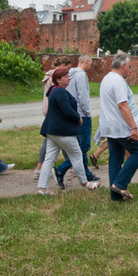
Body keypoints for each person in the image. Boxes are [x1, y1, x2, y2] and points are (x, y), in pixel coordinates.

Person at [38, 67, 100, 195]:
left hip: (52, 130)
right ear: (58, 80)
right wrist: (78, 118)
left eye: (68, 76)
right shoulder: (60, 92)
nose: (68, 78)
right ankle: (85, 183)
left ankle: (42, 188)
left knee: (49, 158)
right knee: (76, 155)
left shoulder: (54, 91)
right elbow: (67, 110)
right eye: (65, 77)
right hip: (63, 131)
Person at [99, 52, 138, 201]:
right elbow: (122, 104)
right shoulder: (118, 81)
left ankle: (115, 195)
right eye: (129, 66)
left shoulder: (106, 79)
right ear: (123, 66)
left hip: (109, 126)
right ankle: (120, 184)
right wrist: (133, 127)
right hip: (121, 127)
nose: (130, 70)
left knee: (115, 159)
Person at [53, 55, 99, 187]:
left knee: (79, 146)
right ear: (86, 62)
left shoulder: (69, 74)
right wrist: (87, 112)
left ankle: (86, 174)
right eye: (90, 63)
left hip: (72, 112)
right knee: (83, 146)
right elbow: (83, 95)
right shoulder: (81, 75)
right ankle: (61, 169)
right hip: (82, 114)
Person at [35, 58, 72, 178]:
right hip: (54, 111)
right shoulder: (55, 78)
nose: (68, 72)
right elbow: (55, 96)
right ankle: (41, 168)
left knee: (56, 140)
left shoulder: (50, 76)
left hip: (51, 110)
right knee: (61, 139)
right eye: (67, 68)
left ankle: (71, 165)